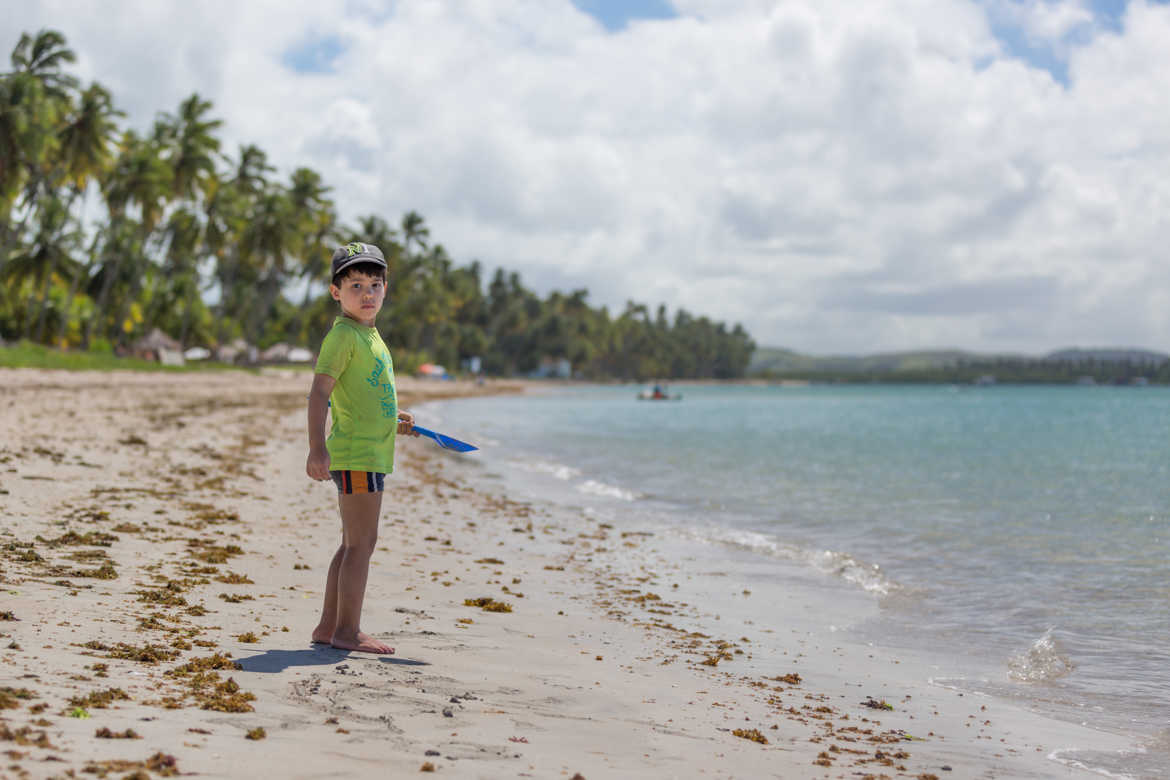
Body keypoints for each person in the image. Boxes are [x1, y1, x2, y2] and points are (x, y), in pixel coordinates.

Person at [305, 241, 417, 654]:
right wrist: (317, 448)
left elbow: (364, 395)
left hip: (368, 453)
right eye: (355, 285)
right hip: (354, 455)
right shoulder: (343, 336)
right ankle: (347, 632)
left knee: (352, 542)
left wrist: (393, 417)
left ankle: (328, 626)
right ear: (336, 292)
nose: (366, 294)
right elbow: (319, 394)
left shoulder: (371, 336)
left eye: (374, 284)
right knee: (361, 544)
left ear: (386, 288)